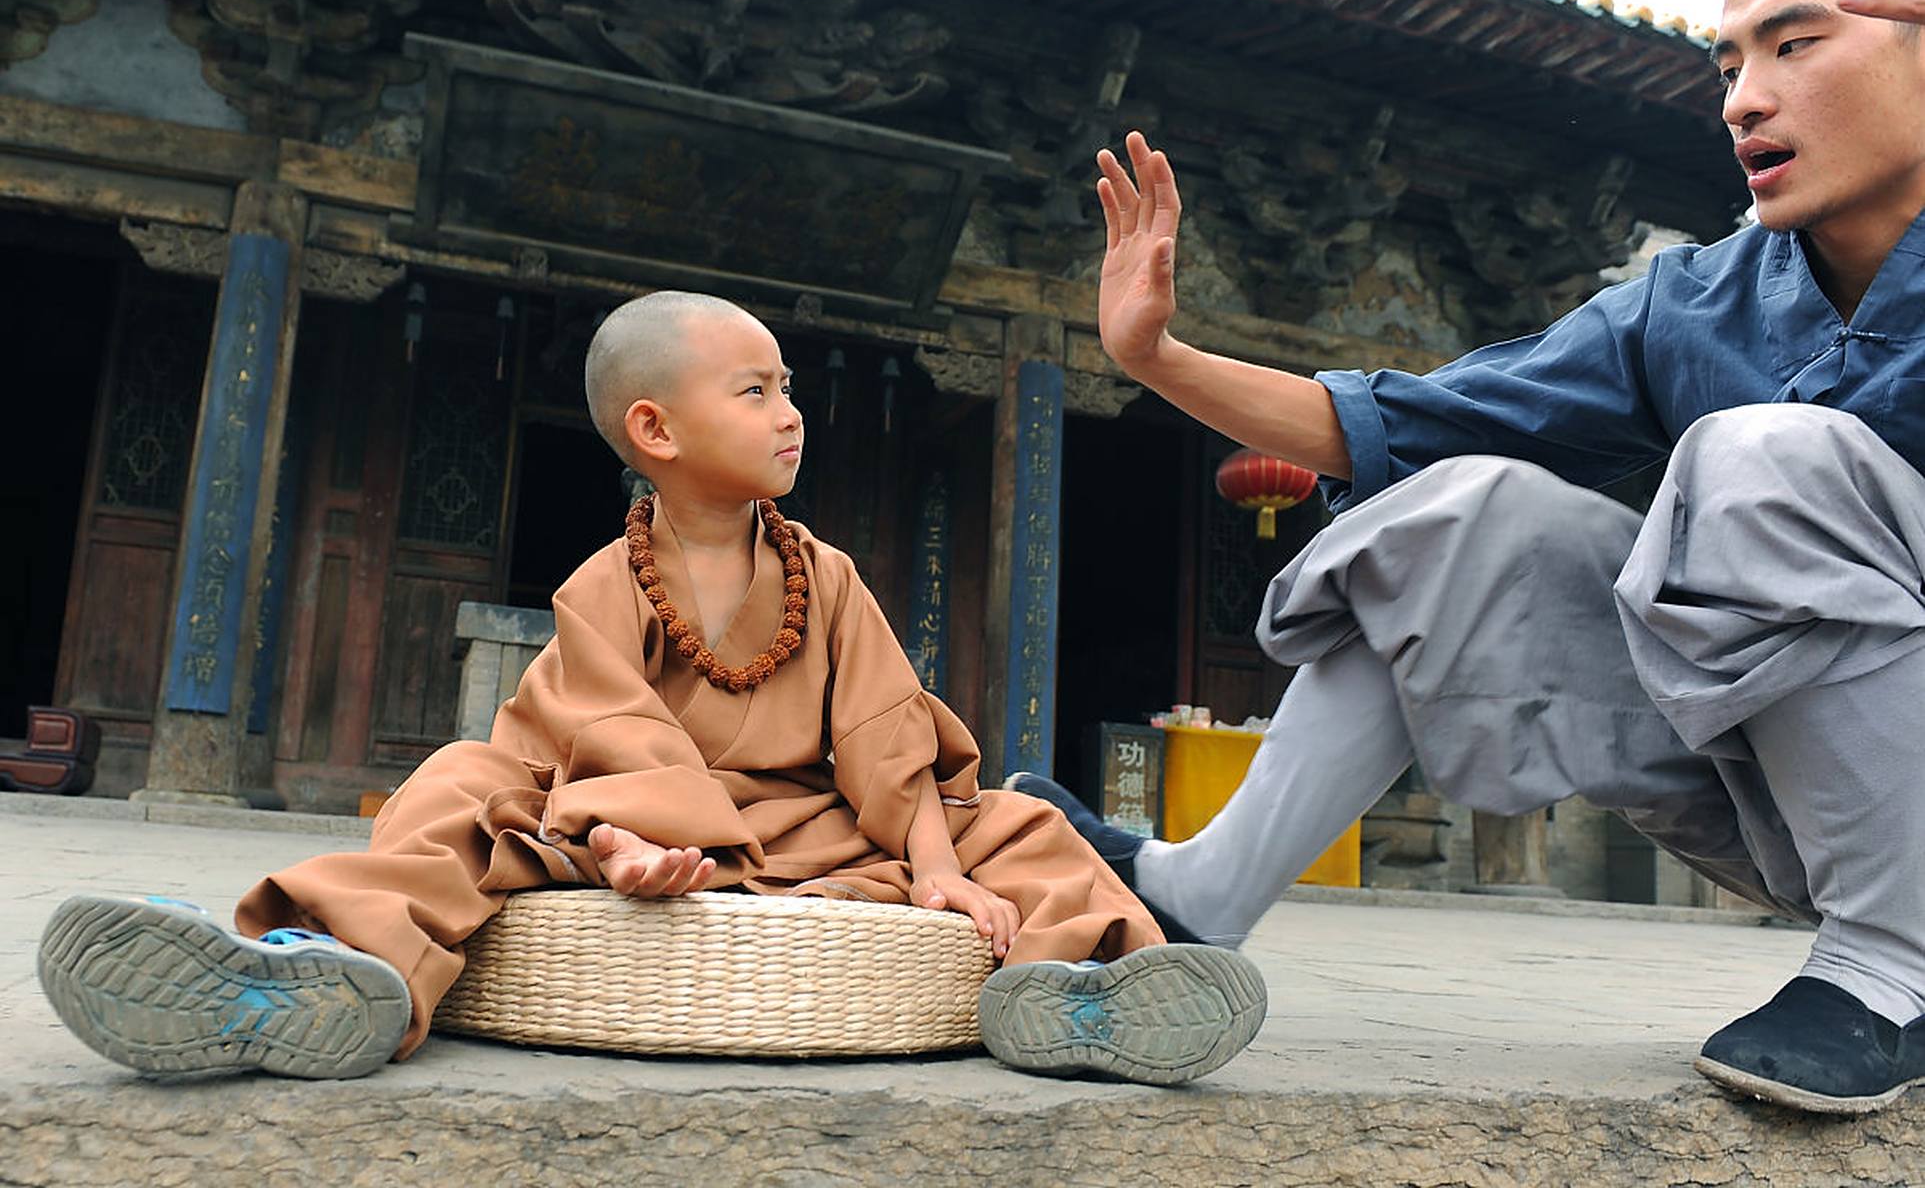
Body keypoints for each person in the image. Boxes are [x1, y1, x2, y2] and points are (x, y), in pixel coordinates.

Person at [1009, 0, 1925, 1115]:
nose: (1740, 100)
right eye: (1726, 65)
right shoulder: (1693, 303)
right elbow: (1410, 420)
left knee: (1764, 454)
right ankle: (1196, 893)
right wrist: (1159, 356)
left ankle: (1891, 971)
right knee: (1457, 517)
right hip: (1804, 809)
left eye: (1793, 46)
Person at [37, 292, 1265, 1087]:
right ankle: (309, 970)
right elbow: (601, 732)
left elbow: (888, 734)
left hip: (810, 826)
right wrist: (623, 835)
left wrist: (938, 862)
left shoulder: (824, 574)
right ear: (656, 430)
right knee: (458, 784)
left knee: (1024, 822)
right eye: (755, 391)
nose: (790, 415)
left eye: (787, 387)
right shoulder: (601, 584)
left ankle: (1088, 994)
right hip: (605, 821)